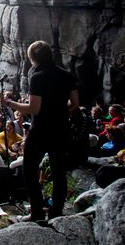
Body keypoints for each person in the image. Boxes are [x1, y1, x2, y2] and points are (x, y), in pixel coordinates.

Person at [4, 41, 79, 222]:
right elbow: (75, 103)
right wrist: (62, 112)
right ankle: (57, 212)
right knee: (58, 171)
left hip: (41, 130)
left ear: (33, 58)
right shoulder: (66, 74)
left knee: (29, 169)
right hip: (61, 128)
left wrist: (11, 103)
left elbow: (34, 108)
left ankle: (37, 212)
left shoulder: (37, 77)